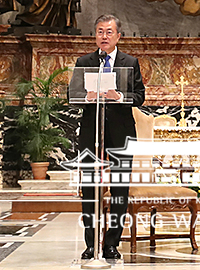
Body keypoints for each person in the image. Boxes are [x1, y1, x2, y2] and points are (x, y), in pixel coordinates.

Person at [75, 14, 146, 262]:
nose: (103, 36)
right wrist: (87, 96)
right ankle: (91, 243)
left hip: (121, 132)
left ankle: (112, 243)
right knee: (90, 189)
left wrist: (119, 97)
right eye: (99, 32)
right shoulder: (84, 61)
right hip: (91, 132)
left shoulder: (130, 62)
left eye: (108, 32)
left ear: (118, 36)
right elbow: (72, 93)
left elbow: (139, 96)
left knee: (119, 189)